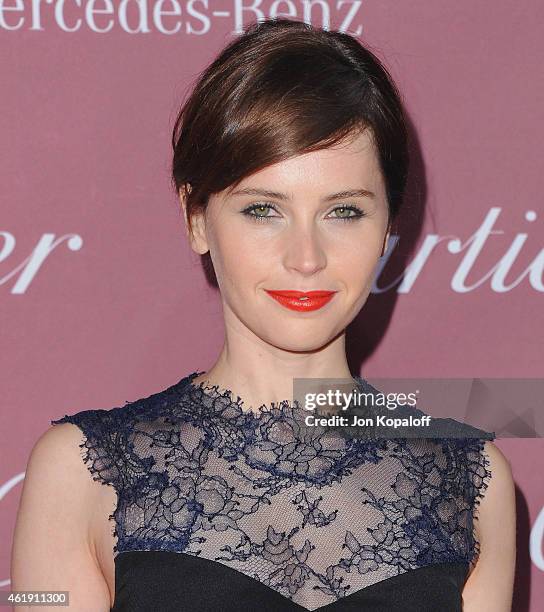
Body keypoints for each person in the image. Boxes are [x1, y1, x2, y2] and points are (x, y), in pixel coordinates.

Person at [11, 17, 515, 612]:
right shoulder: (82, 472)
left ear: (388, 227)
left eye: (344, 211)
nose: (306, 258)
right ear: (195, 216)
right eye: (262, 210)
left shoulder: (471, 479)